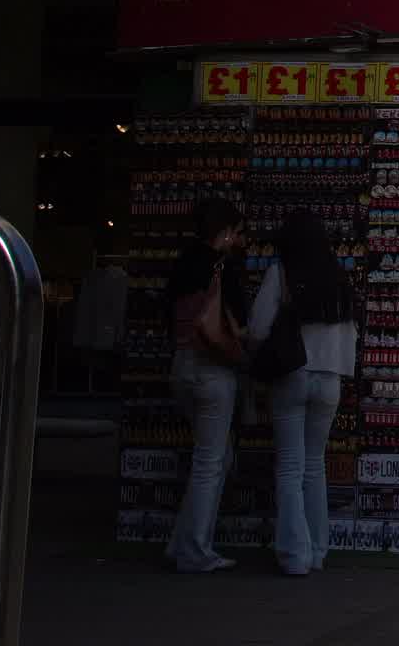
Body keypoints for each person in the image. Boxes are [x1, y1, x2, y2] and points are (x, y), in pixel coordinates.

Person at [246, 211, 357, 576]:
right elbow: (351, 335)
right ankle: (318, 551)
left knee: (291, 466)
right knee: (315, 465)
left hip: (292, 374)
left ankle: (295, 554)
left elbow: (258, 327)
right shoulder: (340, 278)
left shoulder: (282, 273)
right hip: (330, 380)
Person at [164, 197, 249, 573]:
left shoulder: (182, 262)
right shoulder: (224, 268)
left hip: (181, 365)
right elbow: (241, 322)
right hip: (215, 368)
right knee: (210, 462)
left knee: (211, 457)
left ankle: (182, 543)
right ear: (226, 231)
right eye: (238, 232)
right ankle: (195, 550)